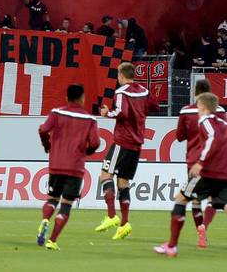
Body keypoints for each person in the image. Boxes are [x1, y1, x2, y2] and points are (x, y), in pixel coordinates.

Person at [153, 92, 227, 259]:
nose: (197, 109)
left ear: (204, 107)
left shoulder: (205, 120)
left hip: (208, 173)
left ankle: (171, 246)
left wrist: (201, 162)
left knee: (181, 199)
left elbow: (213, 138)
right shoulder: (226, 125)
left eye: (198, 106)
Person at [36, 84, 100, 250]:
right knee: (66, 205)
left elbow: (43, 130)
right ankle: (52, 240)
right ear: (82, 98)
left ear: (66, 97)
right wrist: (85, 151)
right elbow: (95, 143)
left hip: (56, 164)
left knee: (52, 199)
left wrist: (47, 145)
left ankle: (44, 221)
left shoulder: (57, 113)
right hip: (75, 167)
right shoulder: (90, 119)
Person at [95, 62, 152, 240]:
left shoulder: (121, 92)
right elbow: (154, 106)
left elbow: (122, 112)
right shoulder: (144, 91)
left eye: (118, 75)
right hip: (136, 143)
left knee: (105, 175)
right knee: (123, 182)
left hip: (122, 141)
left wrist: (106, 114)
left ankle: (112, 216)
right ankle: (124, 224)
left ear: (121, 75)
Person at [177, 78, 224, 248]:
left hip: (194, 161)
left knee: (194, 199)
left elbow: (180, 136)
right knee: (212, 197)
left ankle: (200, 234)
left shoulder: (185, 112)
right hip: (214, 161)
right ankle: (205, 226)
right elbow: (224, 133)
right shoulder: (219, 110)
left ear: (195, 93)